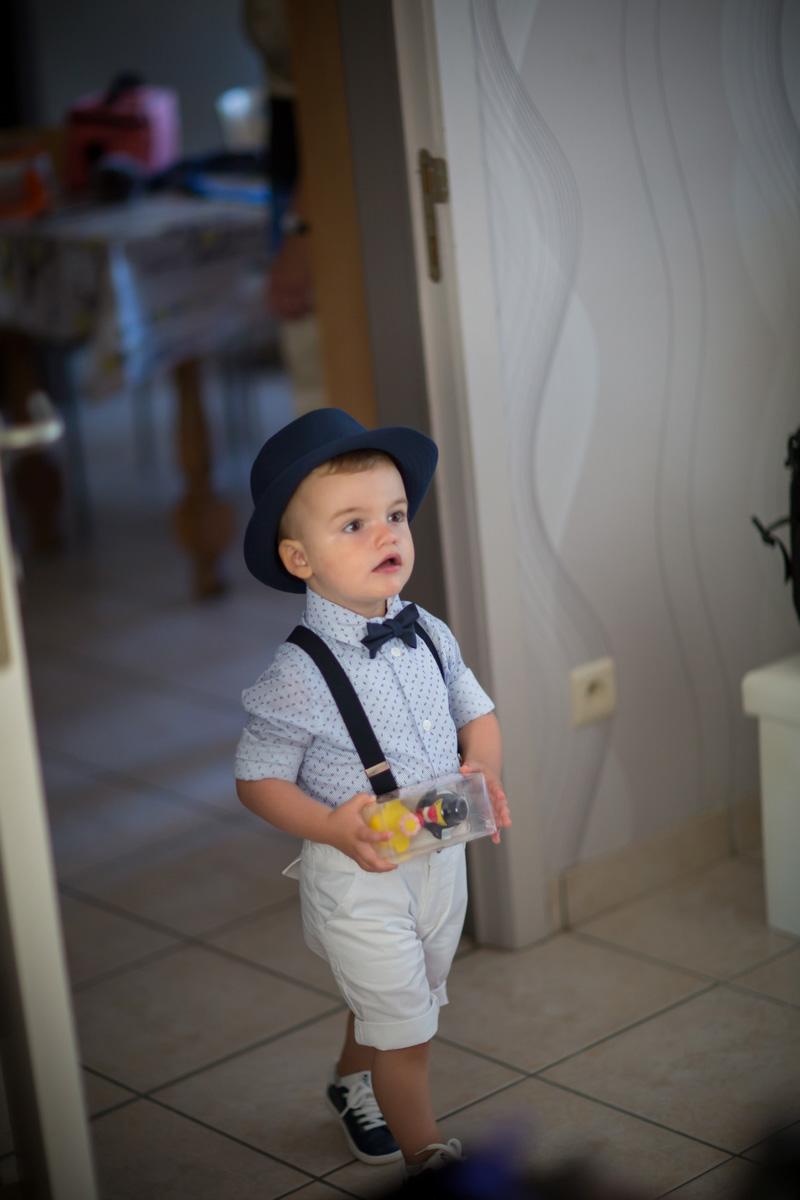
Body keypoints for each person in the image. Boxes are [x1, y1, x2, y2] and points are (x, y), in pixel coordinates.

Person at [234, 408, 511, 1175]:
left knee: (409, 998)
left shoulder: (429, 631)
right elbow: (256, 779)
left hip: (438, 851)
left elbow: (476, 711)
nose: (385, 534)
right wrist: (330, 826)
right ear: (299, 558)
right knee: (409, 1034)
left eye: (393, 515)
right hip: (360, 877)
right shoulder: (297, 674)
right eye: (353, 525)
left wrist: (483, 767)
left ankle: (350, 1080)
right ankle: (432, 1161)